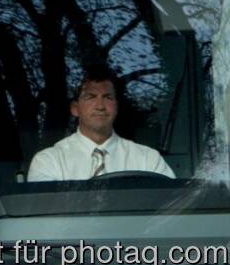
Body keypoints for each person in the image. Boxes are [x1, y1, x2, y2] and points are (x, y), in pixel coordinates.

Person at [27, 65, 175, 181]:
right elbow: (48, 217)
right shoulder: (49, 161)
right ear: (75, 109)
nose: (100, 106)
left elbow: (170, 210)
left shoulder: (147, 159)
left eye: (107, 97)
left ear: (116, 107)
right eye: (91, 97)